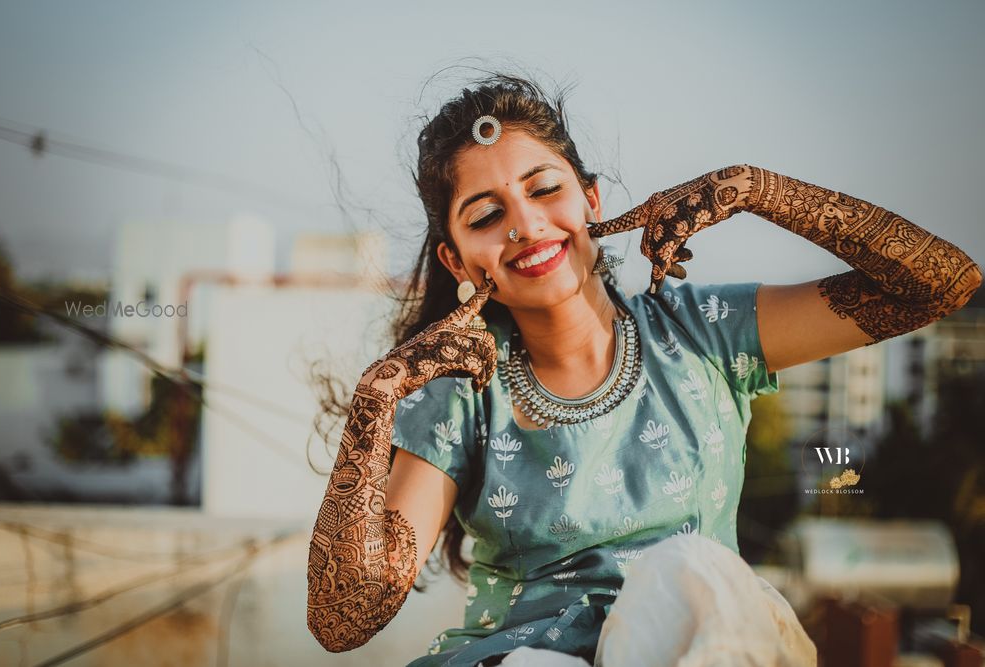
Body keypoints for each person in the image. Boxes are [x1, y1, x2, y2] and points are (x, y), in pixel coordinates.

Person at [305, 74, 982, 666]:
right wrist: (379, 394)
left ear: (592, 203)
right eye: (487, 216)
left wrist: (754, 188)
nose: (526, 224)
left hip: (704, 643)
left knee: (687, 570)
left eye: (545, 190)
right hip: (522, 658)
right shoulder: (461, 397)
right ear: (458, 263)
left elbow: (940, 285)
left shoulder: (707, 331)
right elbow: (343, 620)